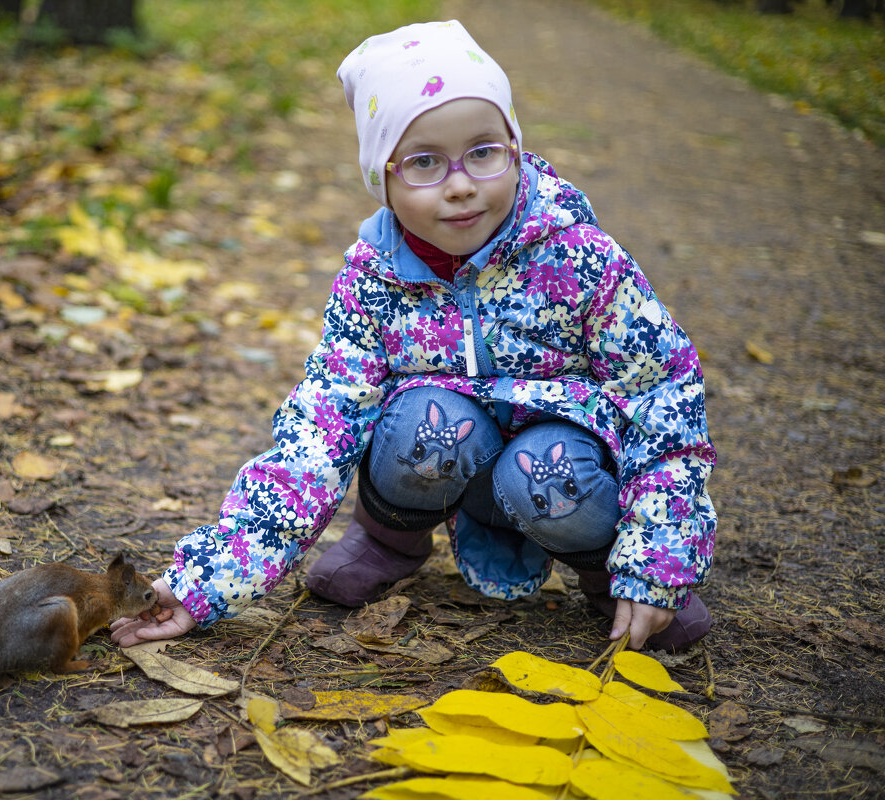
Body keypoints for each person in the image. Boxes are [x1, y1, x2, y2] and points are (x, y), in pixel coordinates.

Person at [112, 20, 715, 653]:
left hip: (556, 473)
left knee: (546, 468)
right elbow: (322, 426)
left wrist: (658, 563)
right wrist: (204, 582)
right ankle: (387, 540)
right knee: (423, 419)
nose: (459, 184)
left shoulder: (578, 260)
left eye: (483, 151)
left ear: (514, 147)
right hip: (441, 453)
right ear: (384, 178)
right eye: (425, 162)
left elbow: (662, 392)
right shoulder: (373, 280)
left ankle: (609, 575)